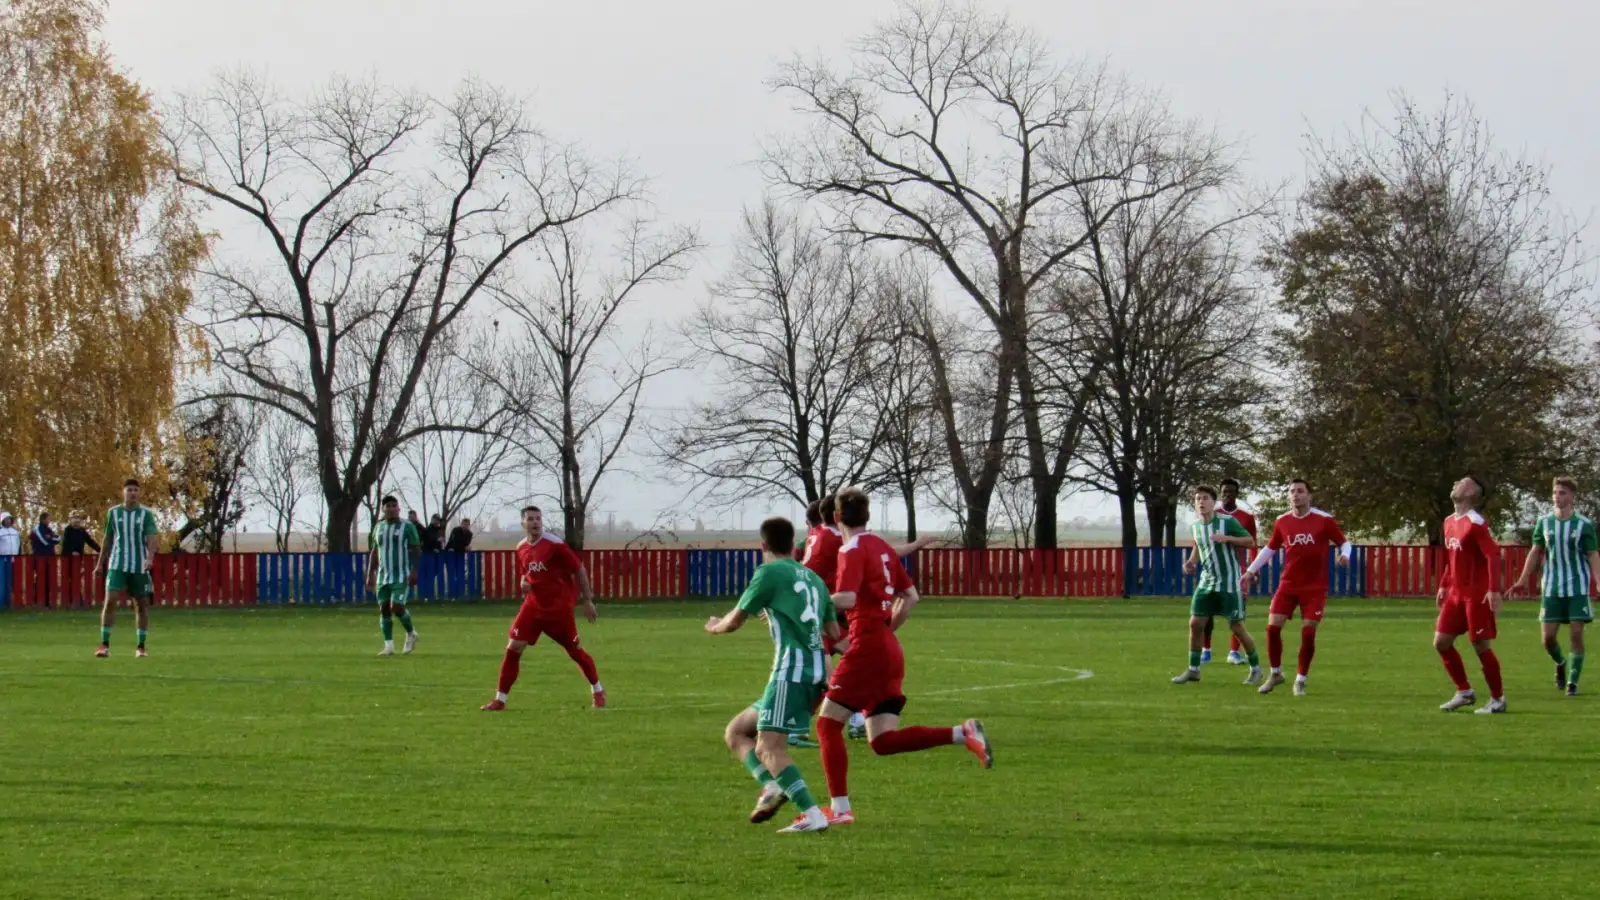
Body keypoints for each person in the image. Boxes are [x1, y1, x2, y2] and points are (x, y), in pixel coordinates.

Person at [807, 486, 992, 828]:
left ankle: (841, 808)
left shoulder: (850, 549)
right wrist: (888, 629)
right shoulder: (881, 547)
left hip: (865, 648)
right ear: (868, 516)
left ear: (835, 518)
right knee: (881, 742)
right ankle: (961, 733)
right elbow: (911, 596)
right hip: (888, 649)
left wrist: (808, 600)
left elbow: (846, 599)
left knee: (826, 724)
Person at [706, 515, 838, 833]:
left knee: (769, 748)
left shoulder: (768, 573)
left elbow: (736, 619)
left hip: (791, 672)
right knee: (737, 732)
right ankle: (772, 786)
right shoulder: (814, 579)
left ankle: (812, 815)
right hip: (816, 670)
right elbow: (833, 630)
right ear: (794, 545)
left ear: (763, 545)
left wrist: (715, 627)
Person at [481, 506, 603, 711]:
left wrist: (587, 600)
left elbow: (579, 569)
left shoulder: (554, 544)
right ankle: (500, 700)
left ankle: (598, 690)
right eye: (530, 519)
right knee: (513, 648)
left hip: (558, 609)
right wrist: (524, 583)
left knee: (574, 651)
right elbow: (526, 574)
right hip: (533, 607)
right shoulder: (521, 547)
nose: (535, 523)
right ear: (523, 523)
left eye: (538, 519)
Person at [1241, 480, 1351, 695]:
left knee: (1308, 632)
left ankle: (1301, 678)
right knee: (1272, 628)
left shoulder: (1324, 520)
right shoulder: (1282, 521)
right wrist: (1250, 571)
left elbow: (1344, 542)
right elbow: (1270, 549)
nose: (1295, 495)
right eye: (1292, 491)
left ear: (1309, 495)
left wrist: (1345, 555)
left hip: (1314, 587)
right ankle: (1276, 673)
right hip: (1288, 584)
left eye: (1300, 491)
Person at [1510, 477, 1597, 697]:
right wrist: (1521, 581)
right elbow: (1535, 551)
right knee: (1548, 639)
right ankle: (1560, 662)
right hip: (1551, 588)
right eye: (1556, 493)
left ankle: (1573, 683)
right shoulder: (1544, 522)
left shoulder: (1583, 525)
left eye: (1563, 493)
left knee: (1576, 634)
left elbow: (1592, 554)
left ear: (1572, 497)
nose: (1558, 497)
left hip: (1577, 588)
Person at [1172, 485, 1263, 686]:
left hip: (1229, 583)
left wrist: (1228, 538)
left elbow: (1250, 541)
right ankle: (1193, 669)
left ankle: (1256, 668)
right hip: (1207, 582)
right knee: (1195, 624)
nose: (1201, 502)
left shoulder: (1227, 521)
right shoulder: (1195, 526)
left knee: (1236, 627)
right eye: (1198, 499)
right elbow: (1199, 548)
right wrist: (1190, 562)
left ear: (1214, 503)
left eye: (1205, 498)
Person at [1434, 476, 1507, 714]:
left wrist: (1493, 590)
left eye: (1461, 482)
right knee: (1441, 642)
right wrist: (1444, 585)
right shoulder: (1448, 522)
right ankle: (1464, 691)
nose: (1455, 482)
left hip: (1476, 595)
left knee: (1480, 645)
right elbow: (1452, 557)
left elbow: (1493, 556)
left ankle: (1497, 699)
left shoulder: (1476, 523)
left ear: (1470, 493)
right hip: (1455, 593)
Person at [94, 480, 159, 658]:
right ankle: (104, 644)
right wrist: (100, 563)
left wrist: (150, 558)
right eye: (129, 490)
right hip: (117, 563)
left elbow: (152, 537)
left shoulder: (146, 514)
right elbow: (107, 538)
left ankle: (141, 647)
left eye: (135, 490)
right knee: (110, 600)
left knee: (141, 605)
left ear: (139, 493)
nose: (132, 493)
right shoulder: (113, 513)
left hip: (139, 564)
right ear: (123, 492)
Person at [1203, 477, 1257, 665]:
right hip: (1214, 569)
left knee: (1236, 611)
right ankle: (1206, 650)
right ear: (1220, 493)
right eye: (1224, 492)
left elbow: (1252, 543)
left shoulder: (1246, 518)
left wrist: (1253, 568)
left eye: (1231, 492)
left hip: (1238, 569)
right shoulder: (1211, 514)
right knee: (1206, 610)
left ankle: (1234, 652)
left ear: (1237, 494)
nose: (1227, 495)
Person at [364, 495, 420, 656]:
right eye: (388, 506)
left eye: (394, 505)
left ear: (398, 509)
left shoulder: (407, 526)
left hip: (401, 575)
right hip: (383, 575)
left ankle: (411, 633)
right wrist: (370, 574)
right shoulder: (378, 527)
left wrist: (414, 571)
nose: (391, 508)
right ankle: (389, 646)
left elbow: (416, 549)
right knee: (384, 609)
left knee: (396, 606)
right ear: (383, 509)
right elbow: (374, 551)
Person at [61, 511, 101, 607]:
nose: (77, 520)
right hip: (68, 559)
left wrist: (100, 550)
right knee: (68, 579)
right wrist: (71, 552)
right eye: (74, 518)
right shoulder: (68, 530)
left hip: (78, 559)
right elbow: (65, 544)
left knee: (77, 579)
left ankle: (78, 599)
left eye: (78, 518)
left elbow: (90, 541)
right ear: (70, 520)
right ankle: (70, 600)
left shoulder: (82, 531)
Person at [29, 510, 60, 607]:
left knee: (48, 579)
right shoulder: (37, 529)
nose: (50, 520)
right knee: (39, 579)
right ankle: (36, 600)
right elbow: (44, 541)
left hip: (49, 557)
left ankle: (46, 601)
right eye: (48, 519)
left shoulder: (49, 529)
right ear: (43, 519)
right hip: (39, 558)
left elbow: (58, 539)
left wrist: (50, 537)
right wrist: (51, 538)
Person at [0, 512, 18, 609]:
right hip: (2, 557)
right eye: (6, 519)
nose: (8, 521)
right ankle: (1, 604)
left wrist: (16, 554)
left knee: (10, 581)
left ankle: (9, 603)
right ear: (2, 520)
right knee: (1, 580)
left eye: (9, 519)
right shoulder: (0, 531)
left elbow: (18, 544)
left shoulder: (15, 532)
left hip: (12, 557)